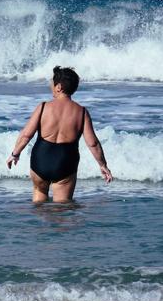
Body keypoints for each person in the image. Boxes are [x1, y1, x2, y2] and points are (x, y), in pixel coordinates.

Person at [7, 66, 113, 202]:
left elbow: (26, 135)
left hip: (40, 161)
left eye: (52, 83)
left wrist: (15, 154)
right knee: (63, 208)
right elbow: (93, 143)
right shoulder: (81, 112)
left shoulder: (43, 107)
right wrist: (103, 165)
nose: (50, 85)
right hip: (65, 163)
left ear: (59, 87)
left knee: (39, 203)